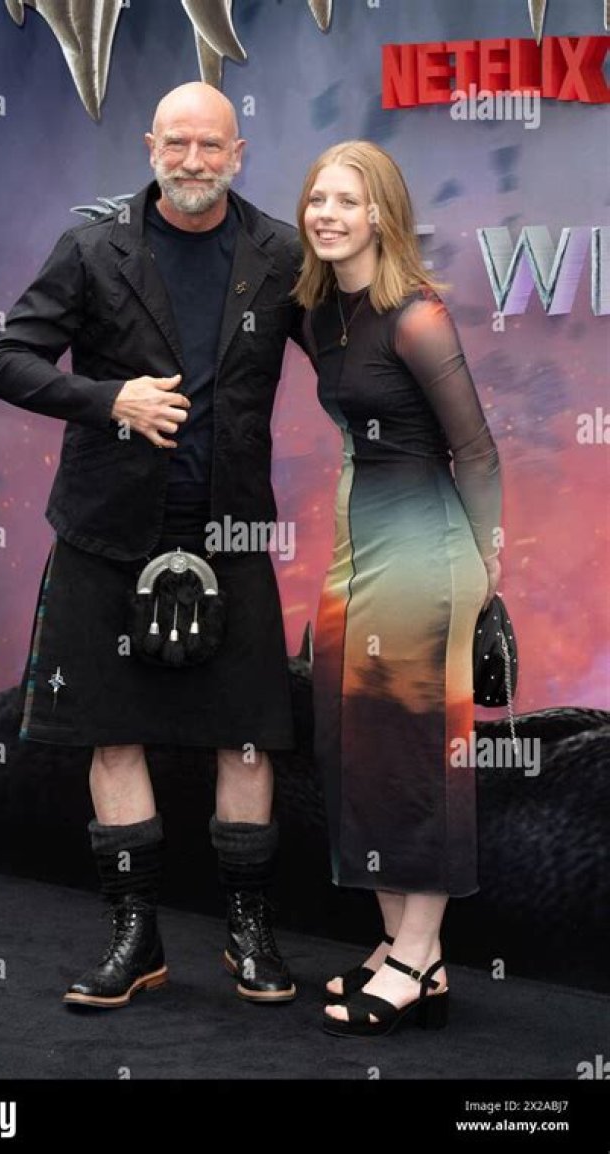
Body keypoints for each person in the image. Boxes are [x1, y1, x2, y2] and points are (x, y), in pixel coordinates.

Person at [0, 82, 307, 1008]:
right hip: (106, 531)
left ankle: (249, 932)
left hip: (231, 532)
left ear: (238, 154)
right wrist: (107, 399)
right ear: (150, 147)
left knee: (249, 738)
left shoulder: (281, 253)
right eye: (177, 144)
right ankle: (137, 938)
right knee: (112, 735)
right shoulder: (92, 248)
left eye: (211, 145)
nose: (193, 161)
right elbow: (4, 360)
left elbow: (347, 362)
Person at [294, 141, 502, 1036]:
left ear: (381, 214)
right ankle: (404, 951)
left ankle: (417, 958)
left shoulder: (418, 317)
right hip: (360, 554)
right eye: (317, 199)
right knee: (356, 748)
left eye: (348, 200)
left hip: (427, 556)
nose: (328, 214)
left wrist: (485, 569)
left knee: (415, 755)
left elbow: (478, 451)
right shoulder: (319, 312)